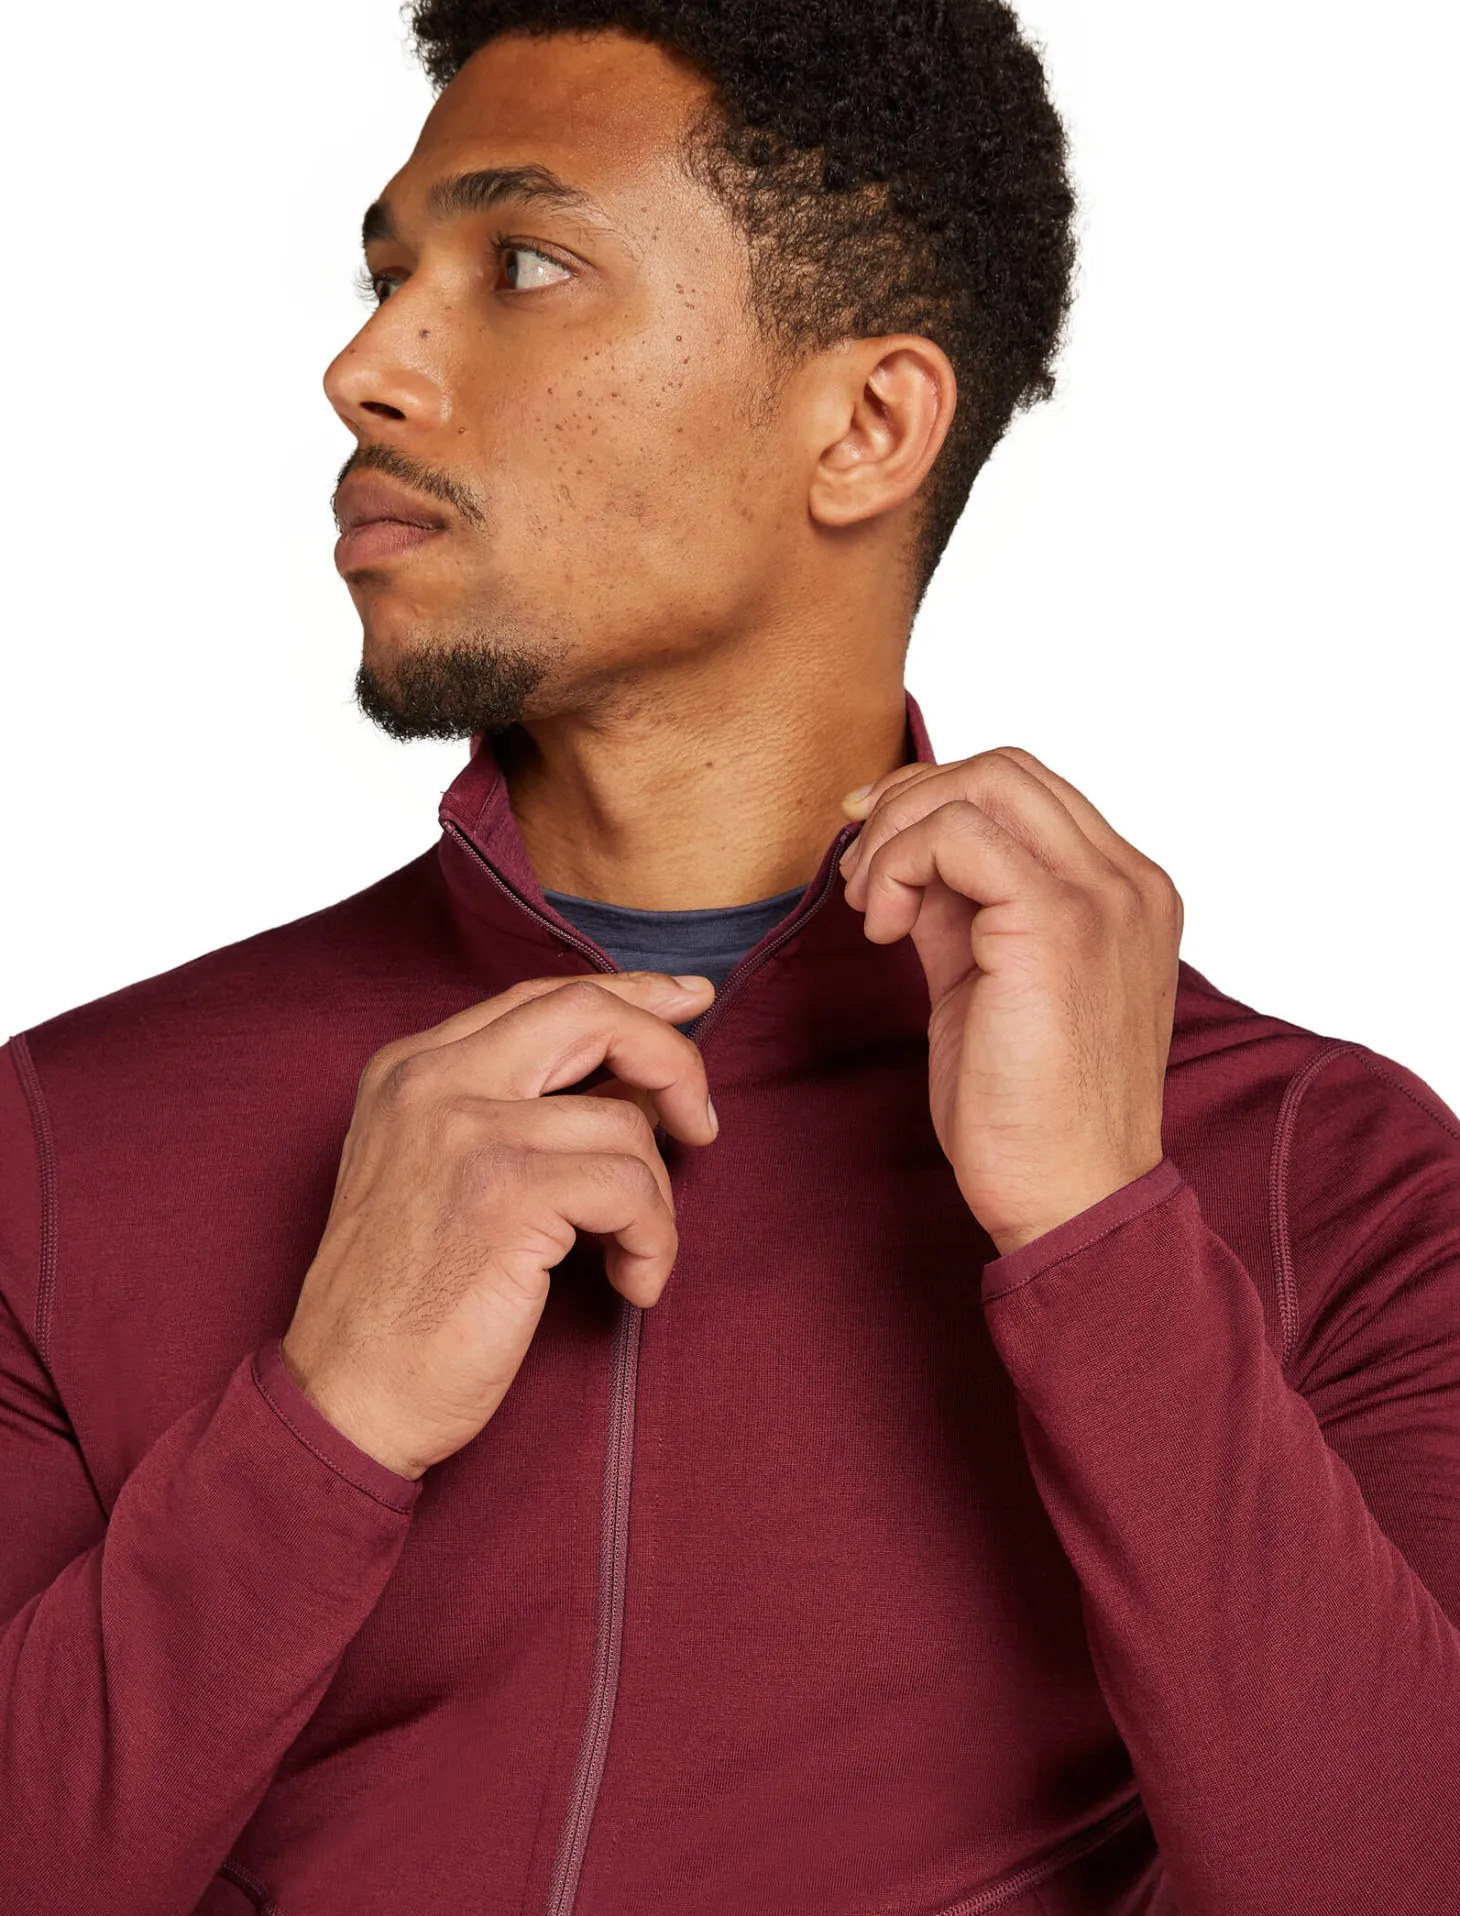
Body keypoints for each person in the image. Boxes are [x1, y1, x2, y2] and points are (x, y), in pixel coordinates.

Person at [2, 3, 1457, 1912]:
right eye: (387, 276)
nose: (364, 370)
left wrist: (1103, 1238)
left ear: (864, 426)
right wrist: (326, 1417)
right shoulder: (61, 1138)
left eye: (525, 266)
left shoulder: (1325, 1175)